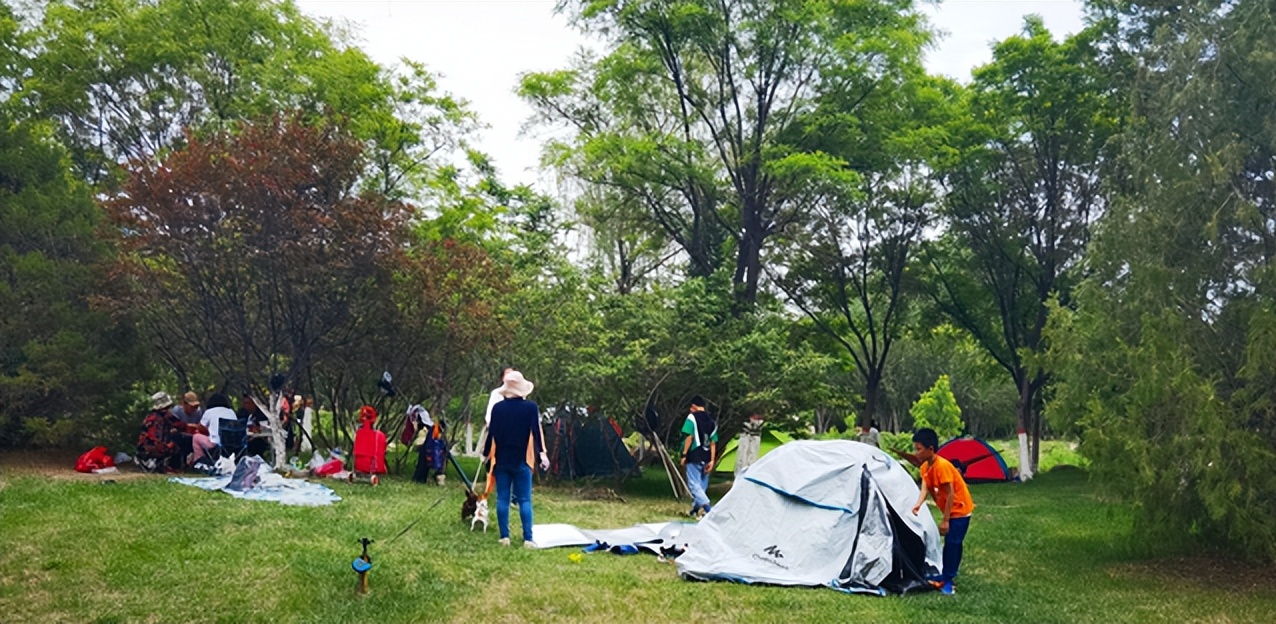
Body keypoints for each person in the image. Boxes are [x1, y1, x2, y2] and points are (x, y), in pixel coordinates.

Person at [482, 370, 547, 548]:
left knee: (502, 499)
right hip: (522, 460)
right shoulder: (530, 408)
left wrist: (485, 454)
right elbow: (536, 431)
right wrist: (542, 453)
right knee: (525, 500)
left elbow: (492, 435)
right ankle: (527, 538)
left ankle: (505, 537)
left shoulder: (498, 408)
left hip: (502, 460)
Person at [909, 428, 975, 596]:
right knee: (952, 543)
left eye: (919, 449)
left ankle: (948, 580)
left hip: (960, 510)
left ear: (930, 449)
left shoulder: (943, 466)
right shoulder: (925, 467)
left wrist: (946, 520)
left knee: (953, 543)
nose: (916, 452)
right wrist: (918, 503)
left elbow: (951, 494)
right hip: (950, 510)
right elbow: (925, 487)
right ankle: (947, 574)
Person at [679, 396, 718, 518]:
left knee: (693, 484)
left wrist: (684, 454)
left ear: (694, 406)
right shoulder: (712, 422)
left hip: (694, 454)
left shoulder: (692, 418)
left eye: (691, 407)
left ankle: (708, 508)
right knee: (701, 486)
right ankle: (695, 510)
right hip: (706, 456)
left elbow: (689, 437)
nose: (690, 410)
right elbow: (713, 442)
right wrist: (712, 460)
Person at [136, 392, 184, 473]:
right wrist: (167, 446)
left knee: (178, 437)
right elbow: (154, 438)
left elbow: (181, 425)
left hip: (156, 447)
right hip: (150, 449)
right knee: (176, 444)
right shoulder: (154, 419)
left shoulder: (166, 416)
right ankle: (168, 466)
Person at [192, 393, 236, 464]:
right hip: (233, 444)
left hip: (216, 444)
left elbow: (200, 427)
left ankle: (199, 461)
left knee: (196, 437)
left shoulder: (209, 412)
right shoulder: (231, 412)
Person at [409, 404, 448, 485]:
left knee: (424, 465)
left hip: (429, 448)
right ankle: (419, 479)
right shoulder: (432, 428)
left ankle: (421, 479)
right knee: (422, 465)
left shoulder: (435, 429)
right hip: (427, 448)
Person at [168, 391, 203, 461]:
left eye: (196, 407)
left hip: (193, 437)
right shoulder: (177, 411)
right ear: (184, 404)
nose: (194, 409)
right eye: (192, 406)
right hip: (180, 436)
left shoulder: (198, 412)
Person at [734, 412, 764, 477]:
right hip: (745, 438)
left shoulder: (759, 424)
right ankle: (740, 475)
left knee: (752, 455)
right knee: (742, 457)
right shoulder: (744, 426)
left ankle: (749, 474)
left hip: (755, 439)